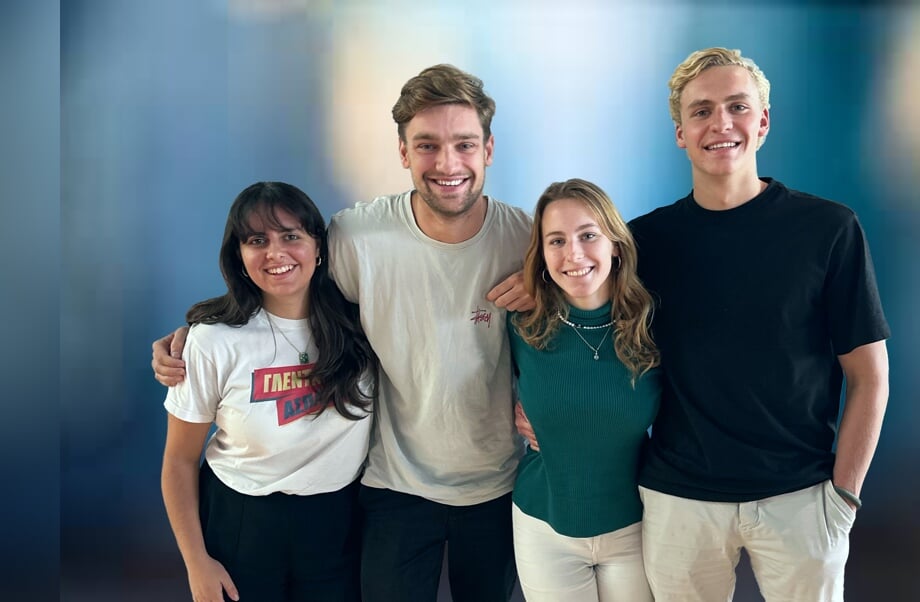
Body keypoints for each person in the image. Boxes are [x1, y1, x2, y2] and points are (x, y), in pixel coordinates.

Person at [154, 65, 534, 601]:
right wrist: (195, 332)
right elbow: (280, 279)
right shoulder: (358, 237)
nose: (448, 163)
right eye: (427, 145)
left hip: (499, 483)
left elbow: (591, 314)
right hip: (393, 486)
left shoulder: (533, 242)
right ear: (402, 152)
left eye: (464, 144)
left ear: (489, 149)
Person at [630, 48, 891, 601]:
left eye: (737, 106)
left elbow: (869, 376)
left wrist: (844, 497)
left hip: (801, 497)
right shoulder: (643, 243)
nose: (720, 124)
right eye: (701, 111)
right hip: (680, 500)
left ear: (763, 122)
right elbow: (585, 324)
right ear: (680, 132)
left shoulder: (828, 229)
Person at [160, 181, 377, 602]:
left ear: (319, 248)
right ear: (239, 257)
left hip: (338, 521)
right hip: (241, 521)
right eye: (257, 240)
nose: (275, 253)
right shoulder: (212, 340)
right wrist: (196, 562)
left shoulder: (364, 325)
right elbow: (179, 461)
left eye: (291, 236)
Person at [508, 178, 660, 601]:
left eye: (588, 235)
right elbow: (475, 385)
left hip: (637, 526)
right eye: (556, 241)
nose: (573, 254)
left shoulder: (652, 325)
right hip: (545, 525)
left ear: (615, 243)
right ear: (541, 254)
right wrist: (511, 410)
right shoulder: (521, 325)